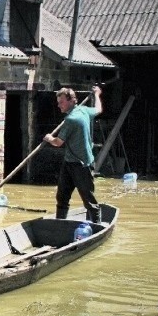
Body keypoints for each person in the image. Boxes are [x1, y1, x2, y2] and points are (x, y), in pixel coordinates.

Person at [43, 85, 103, 222]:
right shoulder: (83, 110)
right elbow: (99, 109)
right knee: (62, 196)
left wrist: (48, 138)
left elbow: (58, 142)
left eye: (61, 102)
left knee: (88, 199)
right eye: (58, 103)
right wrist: (97, 95)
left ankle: (97, 226)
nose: (59, 106)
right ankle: (60, 224)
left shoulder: (71, 120)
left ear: (71, 101)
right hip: (69, 162)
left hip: (81, 164)